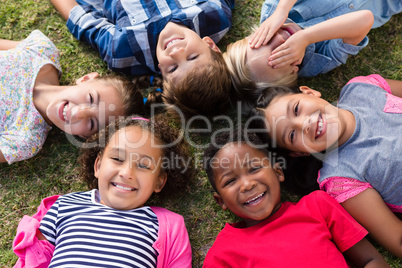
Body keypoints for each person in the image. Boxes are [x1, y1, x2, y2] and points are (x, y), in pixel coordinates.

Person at [252, 74, 402, 258]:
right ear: (299, 152)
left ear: (309, 92)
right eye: (291, 135)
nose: (303, 124)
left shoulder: (361, 88)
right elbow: (397, 239)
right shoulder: (341, 178)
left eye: (296, 109)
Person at [12, 115, 194, 267]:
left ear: (159, 181)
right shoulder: (65, 205)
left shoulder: (169, 226)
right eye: (117, 158)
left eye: (143, 166)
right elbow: (35, 257)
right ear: (98, 165)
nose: (126, 173)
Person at [202, 130, 389, 267]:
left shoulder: (318, 206)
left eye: (254, 169)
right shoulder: (222, 255)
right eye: (231, 181)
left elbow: (370, 260)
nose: (246, 185)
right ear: (221, 201)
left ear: (278, 172)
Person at [50, 0, 234, 117]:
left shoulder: (123, 52)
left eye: (173, 68)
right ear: (210, 45)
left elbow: (82, 21)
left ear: (160, 70)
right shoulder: (216, 14)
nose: (177, 52)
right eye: (193, 57)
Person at [0, 30, 144, 165]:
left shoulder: (25, 140)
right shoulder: (41, 51)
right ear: (86, 79)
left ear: (85, 137)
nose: (78, 112)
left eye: (92, 123)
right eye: (91, 98)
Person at [224, 0, 401, 103]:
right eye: (279, 54)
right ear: (293, 70)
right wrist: (307, 37)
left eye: (265, 39)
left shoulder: (274, 12)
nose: (279, 39)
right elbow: (364, 18)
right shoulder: (317, 62)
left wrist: (282, 10)